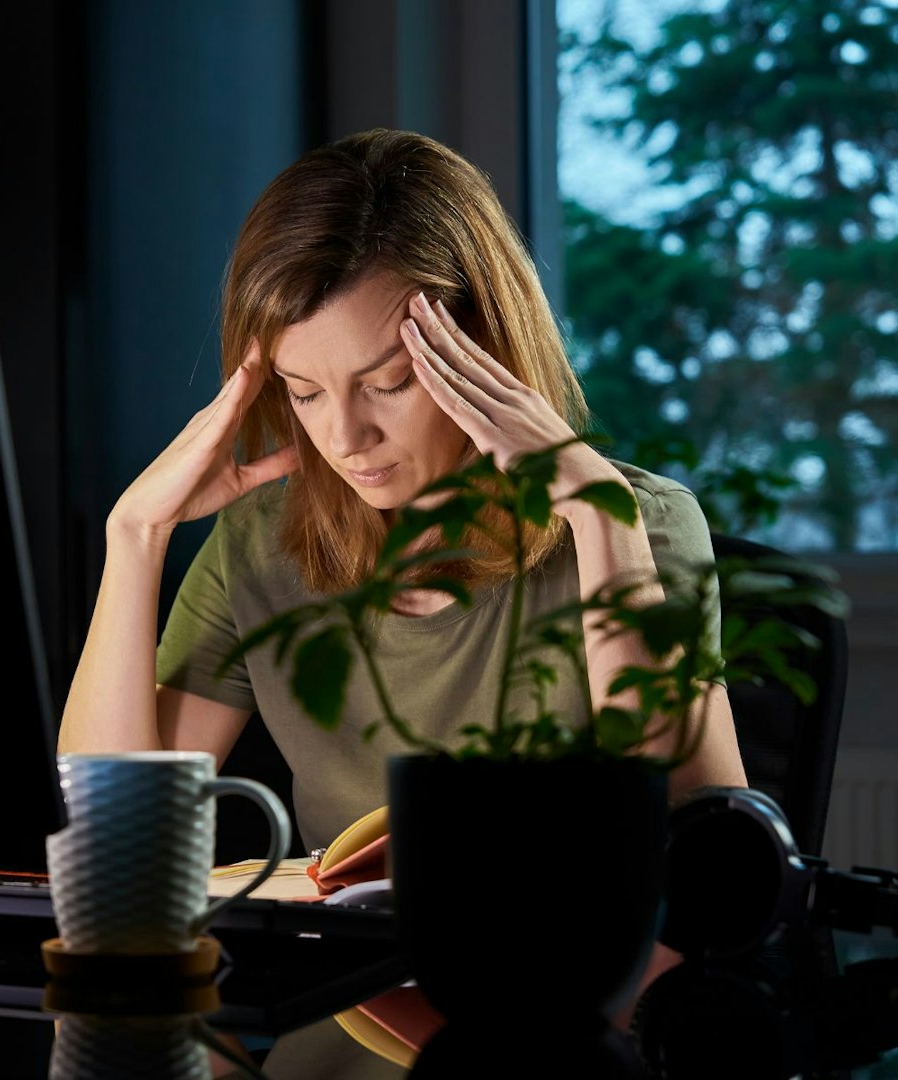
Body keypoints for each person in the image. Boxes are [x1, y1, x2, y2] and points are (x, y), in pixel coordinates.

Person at [57, 126, 749, 859]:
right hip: (357, 969)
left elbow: (701, 856)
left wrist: (599, 524)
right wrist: (133, 536)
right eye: (304, 393)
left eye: (386, 384)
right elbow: (119, 836)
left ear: (484, 345)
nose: (346, 437)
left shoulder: (644, 526)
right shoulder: (260, 540)